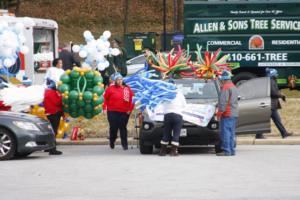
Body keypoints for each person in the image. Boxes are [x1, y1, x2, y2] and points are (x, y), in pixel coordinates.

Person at [255, 68, 293, 139]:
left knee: (276, 120)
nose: (277, 75)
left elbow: (274, 92)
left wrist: (281, 95)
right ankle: (259, 135)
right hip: (270, 105)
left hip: (271, 104)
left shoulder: (271, 81)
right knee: (269, 120)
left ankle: (284, 133)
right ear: (273, 74)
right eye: (276, 74)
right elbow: (273, 93)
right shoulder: (270, 81)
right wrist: (281, 95)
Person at [104, 73, 134, 150]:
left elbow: (132, 100)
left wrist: (130, 110)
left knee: (123, 128)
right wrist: (104, 108)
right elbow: (105, 99)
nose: (120, 81)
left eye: (121, 79)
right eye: (118, 79)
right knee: (113, 128)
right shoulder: (110, 89)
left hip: (124, 112)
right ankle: (112, 140)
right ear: (115, 81)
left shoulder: (127, 88)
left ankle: (125, 145)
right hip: (112, 111)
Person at [159, 79, 186, 156]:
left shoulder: (165, 93)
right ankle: (173, 151)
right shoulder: (179, 93)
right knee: (176, 133)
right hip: (177, 115)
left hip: (167, 115)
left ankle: (163, 151)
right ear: (175, 85)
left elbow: (161, 104)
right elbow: (184, 105)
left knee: (166, 133)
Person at [217, 70, 239, 156]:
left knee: (225, 132)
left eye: (221, 80)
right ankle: (231, 150)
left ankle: (226, 150)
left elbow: (223, 102)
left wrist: (219, 112)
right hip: (234, 113)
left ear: (223, 79)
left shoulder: (225, 87)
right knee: (231, 133)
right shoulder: (233, 86)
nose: (221, 81)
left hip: (227, 113)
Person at [44, 79, 63, 155]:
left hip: (49, 113)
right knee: (53, 131)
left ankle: (48, 147)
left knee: (51, 131)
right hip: (54, 113)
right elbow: (57, 102)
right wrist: (62, 97)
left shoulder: (46, 92)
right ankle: (52, 149)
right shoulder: (51, 92)